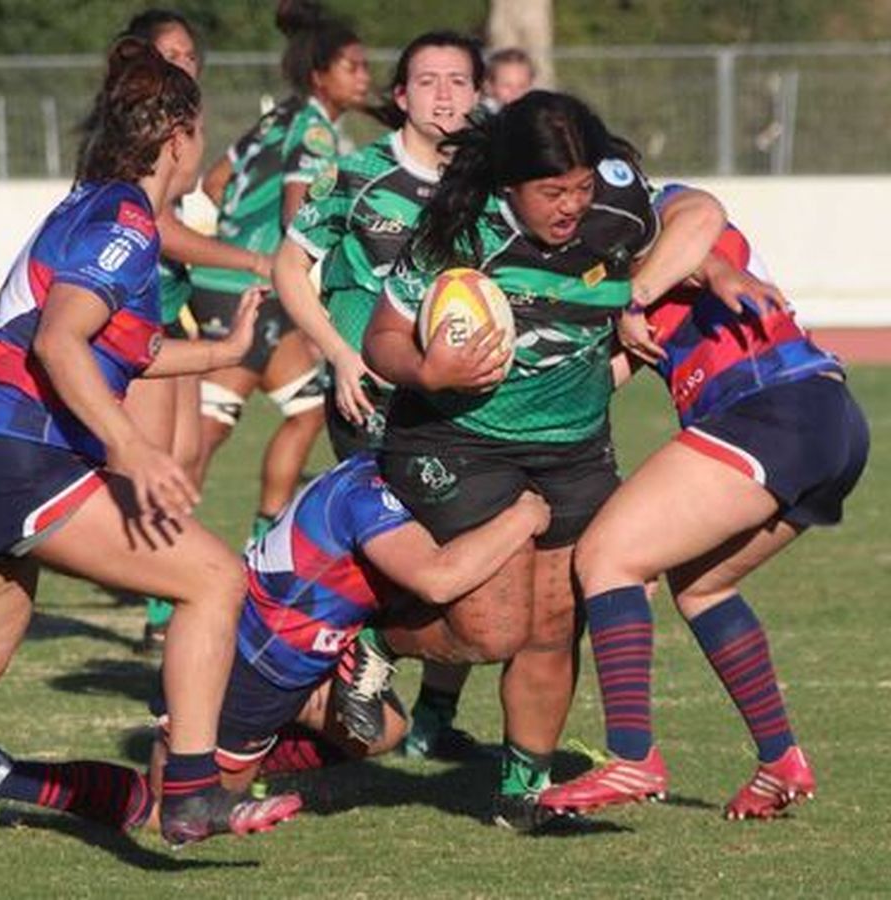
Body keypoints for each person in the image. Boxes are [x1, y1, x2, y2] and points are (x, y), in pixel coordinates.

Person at [0, 39, 268, 865]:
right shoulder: (124, 223)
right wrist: (134, 449)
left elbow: (123, 347)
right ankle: (190, 791)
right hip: (17, 450)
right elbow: (62, 340)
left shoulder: (91, 205)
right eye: (200, 135)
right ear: (178, 135)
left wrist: (224, 351)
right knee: (216, 580)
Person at [356, 90, 730, 830]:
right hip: (454, 438)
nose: (570, 206)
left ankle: (521, 794)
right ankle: (368, 639)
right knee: (492, 628)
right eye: (552, 192)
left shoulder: (615, 214)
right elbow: (381, 342)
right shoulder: (458, 235)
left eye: (582, 187)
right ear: (508, 188)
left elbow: (703, 214)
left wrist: (686, 279)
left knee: (556, 623)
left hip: (573, 446)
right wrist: (431, 373)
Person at [0, 455, 550, 839]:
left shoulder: (366, 475)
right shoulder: (368, 498)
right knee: (169, 819)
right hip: (250, 669)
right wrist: (525, 516)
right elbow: (441, 577)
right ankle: (5, 777)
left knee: (383, 730)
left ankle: (236, 768)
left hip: (292, 663)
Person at [538, 200, 867, 820]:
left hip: (772, 406)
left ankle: (632, 756)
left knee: (609, 556)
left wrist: (673, 286)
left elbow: (696, 237)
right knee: (703, 586)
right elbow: (606, 373)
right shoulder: (613, 273)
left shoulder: (652, 223)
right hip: (827, 422)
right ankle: (779, 760)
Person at [276, 30, 490, 760]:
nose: (444, 95)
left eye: (458, 81)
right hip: (369, 396)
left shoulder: (491, 181)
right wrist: (336, 354)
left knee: (473, 551)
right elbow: (287, 266)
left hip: (458, 399)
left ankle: (428, 713)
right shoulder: (358, 173)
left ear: (478, 93)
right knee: (418, 549)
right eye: (427, 80)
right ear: (400, 97)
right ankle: (349, 658)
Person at [91, 10, 273, 655]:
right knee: (152, 461)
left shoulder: (177, 132)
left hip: (173, 314)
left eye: (191, 54)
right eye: (172, 54)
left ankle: (165, 589)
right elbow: (157, 227)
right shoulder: (132, 145)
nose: (186, 64)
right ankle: (159, 601)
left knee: (187, 458)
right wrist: (252, 258)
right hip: (136, 326)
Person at [187, 0, 371, 550]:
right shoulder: (315, 133)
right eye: (353, 67)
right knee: (204, 436)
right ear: (321, 76)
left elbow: (216, 183)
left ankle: (260, 547)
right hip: (250, 292)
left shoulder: (276, 117)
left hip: (234, 283)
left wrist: (234, 240)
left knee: (309, 407)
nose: (365, 77)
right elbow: (299, 218)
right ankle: (158, 595)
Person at [481, 47, 535, 114]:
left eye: (522, 86)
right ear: (488, 87)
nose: (515, 92)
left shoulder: (534, 112)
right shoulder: (483, 114)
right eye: (507, 86)